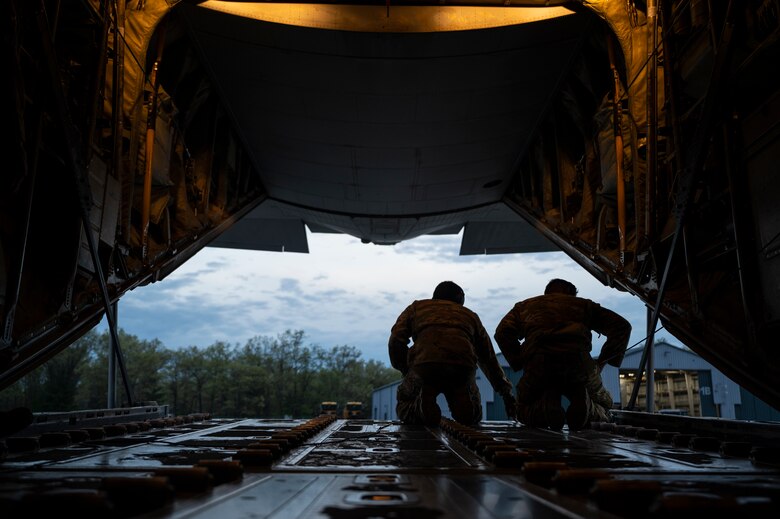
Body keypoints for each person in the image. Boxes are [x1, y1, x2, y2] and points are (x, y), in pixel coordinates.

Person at [494, 278, 630, 431]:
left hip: (540, 365)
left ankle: (545, 409)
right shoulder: (584, 306)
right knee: (605, 404)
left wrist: (519, 360)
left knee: (523, 406)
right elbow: (622, 327)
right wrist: (603, 363)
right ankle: (587, 408)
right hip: (579, 364)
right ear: (571, 294)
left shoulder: (525, 307)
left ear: (546, 293)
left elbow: (502, 333)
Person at [388, 281, 517, 427]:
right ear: (460, 297)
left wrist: (405, 369)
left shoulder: (417, 308)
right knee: (473, 415)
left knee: (406, 402)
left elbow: (396, 340)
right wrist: (506, 394)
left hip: (425, 365)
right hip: (462, 368)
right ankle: (467, 408)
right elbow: (488, 358)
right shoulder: (470, 316)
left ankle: (420, 407)